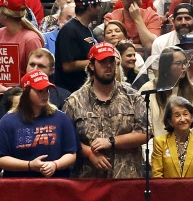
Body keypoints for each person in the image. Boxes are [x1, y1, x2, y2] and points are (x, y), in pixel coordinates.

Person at [62, 41, 147, 178]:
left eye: (111, 61)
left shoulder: (133, 96)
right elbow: (68, 140)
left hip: (127, 178)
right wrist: (89, 153)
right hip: (89, 179)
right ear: (91, 65)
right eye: (102, 62)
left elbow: (145, 132)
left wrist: (112, 141)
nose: (108, 66)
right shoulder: (74, 101)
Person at [0, 70, 78, 176]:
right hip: (20, 186)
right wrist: (29, 165)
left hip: (55, 184)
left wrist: (55, 165)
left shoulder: (61, 118)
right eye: (40, 91)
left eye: (47, 90)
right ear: (27, 92)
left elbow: (71, 154)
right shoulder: (8, 121)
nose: (45, 95)